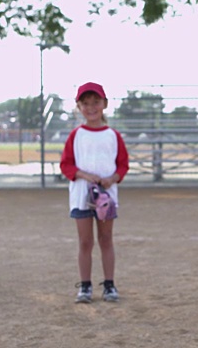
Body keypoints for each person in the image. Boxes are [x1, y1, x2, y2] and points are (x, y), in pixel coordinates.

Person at [60, 82, 129, 303]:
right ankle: (85, 286)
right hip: (82, 196)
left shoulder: (112, 135)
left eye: (96, 102)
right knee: (85, 242)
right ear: (78, 106)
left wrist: (112, 179)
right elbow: (66, 165)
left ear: (105, 104)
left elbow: (122, 165)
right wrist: (84, 175)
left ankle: (109, 284)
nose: (91, 107)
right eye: (85, 103)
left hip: (106, 197)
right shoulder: (76, 135)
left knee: (106, 239)